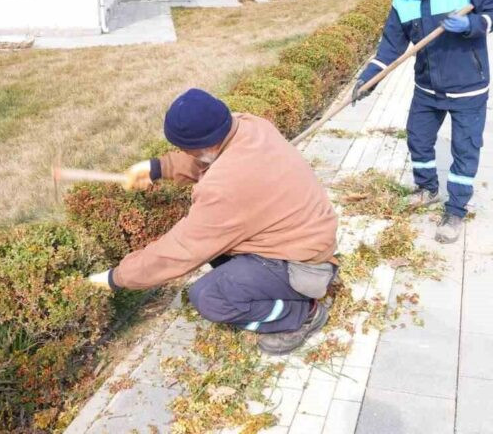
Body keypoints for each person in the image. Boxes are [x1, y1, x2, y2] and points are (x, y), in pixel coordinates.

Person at [87, 89, 338, 355]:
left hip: (301, 264)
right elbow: (210, 158)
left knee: (210, 298)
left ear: (204, 146)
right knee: (219, 256)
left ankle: (301, 314)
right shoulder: (250, 126)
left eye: (185, 149)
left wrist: (118, 277)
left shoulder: (227, 185)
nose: (184, 153)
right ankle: (282, 291)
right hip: (308, 237)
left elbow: (182, 249)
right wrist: (155, 167)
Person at [352, 0, 493, 243]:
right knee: (419, 140)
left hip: (468, 88)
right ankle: (426, 189)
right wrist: (367, 79)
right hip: (427, 88)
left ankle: (456, 210)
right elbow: (390, 48)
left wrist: (471, 25)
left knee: (465, 150)